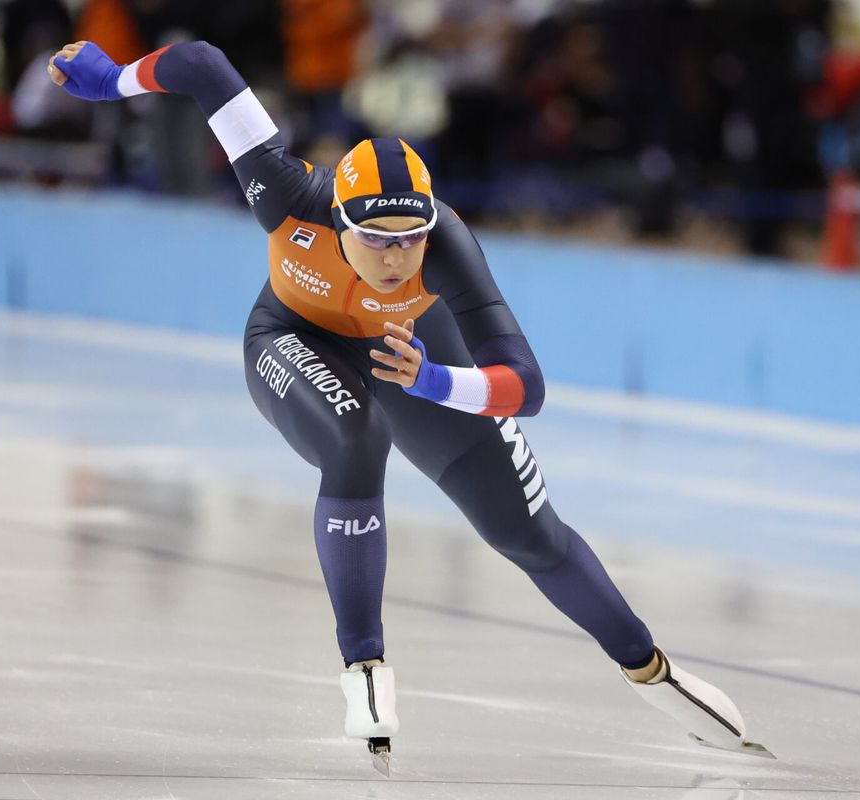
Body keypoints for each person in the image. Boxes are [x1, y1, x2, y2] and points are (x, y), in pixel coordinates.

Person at [47, 39, 772, 774]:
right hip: (293, 336)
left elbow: (527, 382)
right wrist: (114, 83)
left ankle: (650, 667)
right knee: (356, 439)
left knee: (529, 535)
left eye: (410, 240)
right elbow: (200, 65)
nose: (396, 259)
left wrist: (435, 383)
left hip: (411, 353)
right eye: (375, 240)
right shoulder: (284, 190)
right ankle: (364, 665)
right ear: (338, 218)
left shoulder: (449, 244)